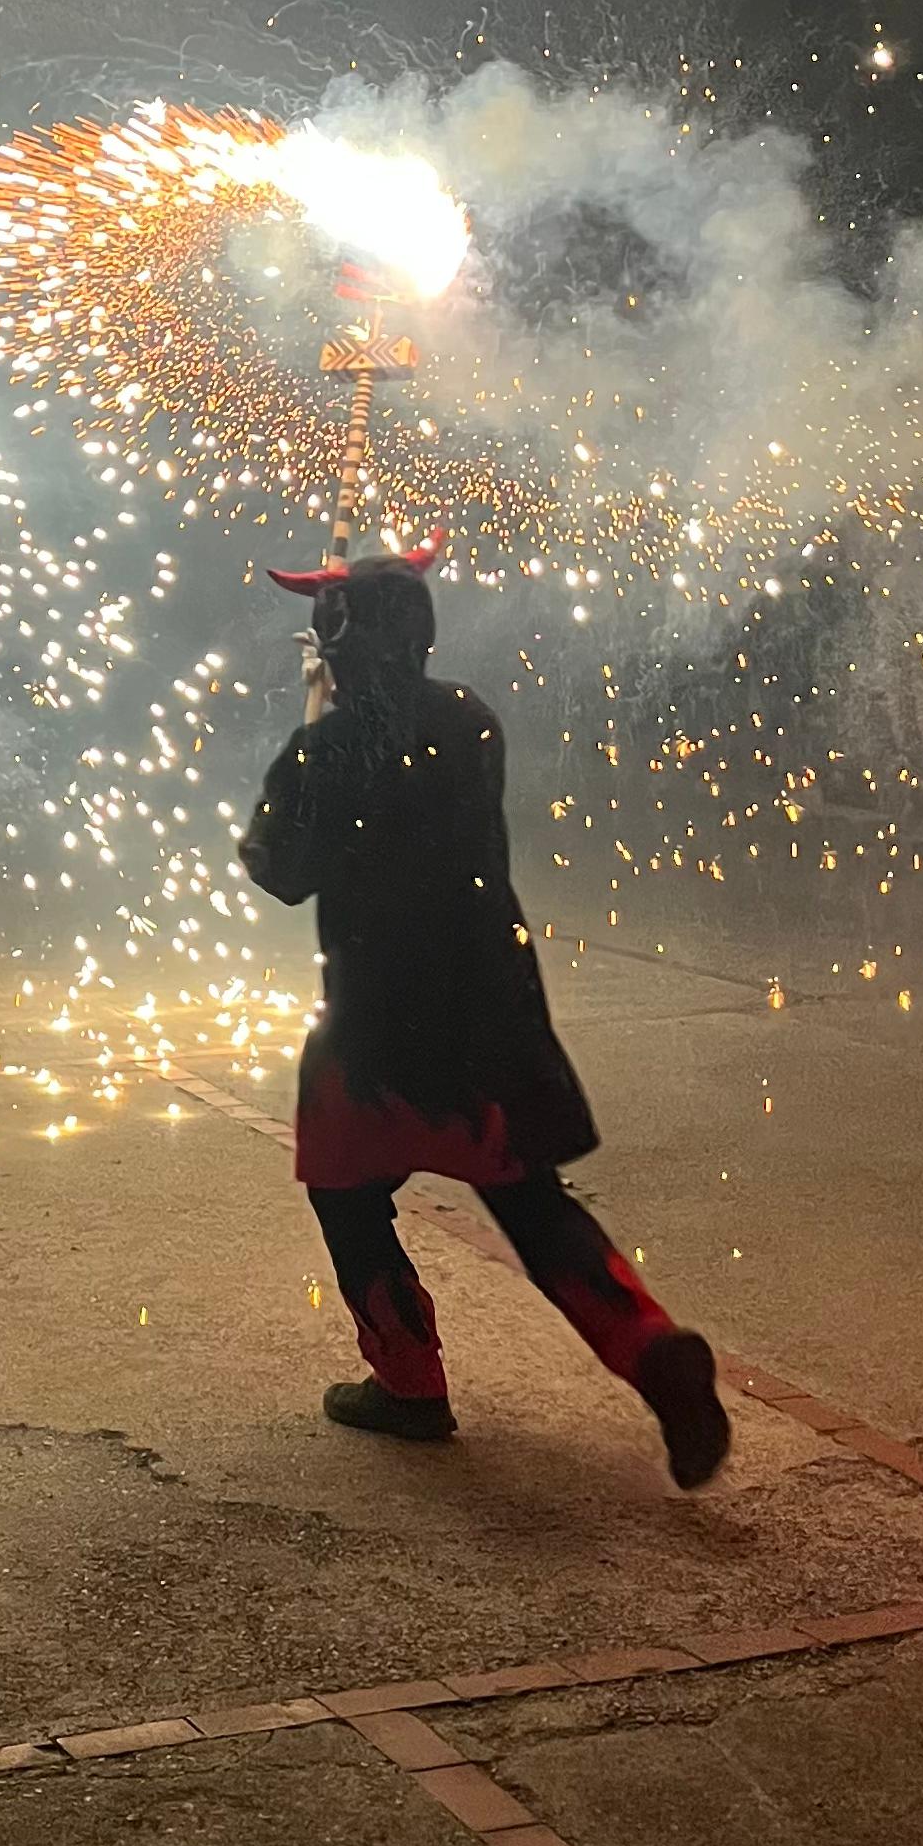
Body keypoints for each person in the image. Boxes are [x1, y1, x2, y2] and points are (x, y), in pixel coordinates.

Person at [238, 550, 730, 1490]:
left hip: (376, 1029)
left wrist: (308, 744)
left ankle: (411, 1384)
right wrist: (333, 721)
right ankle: (654, 1351)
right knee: (529, 1202)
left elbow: (285, 871)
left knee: (346, 1194)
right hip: (484, 1011)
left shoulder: (323, 750)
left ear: (338, 649)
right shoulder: (471, 720)